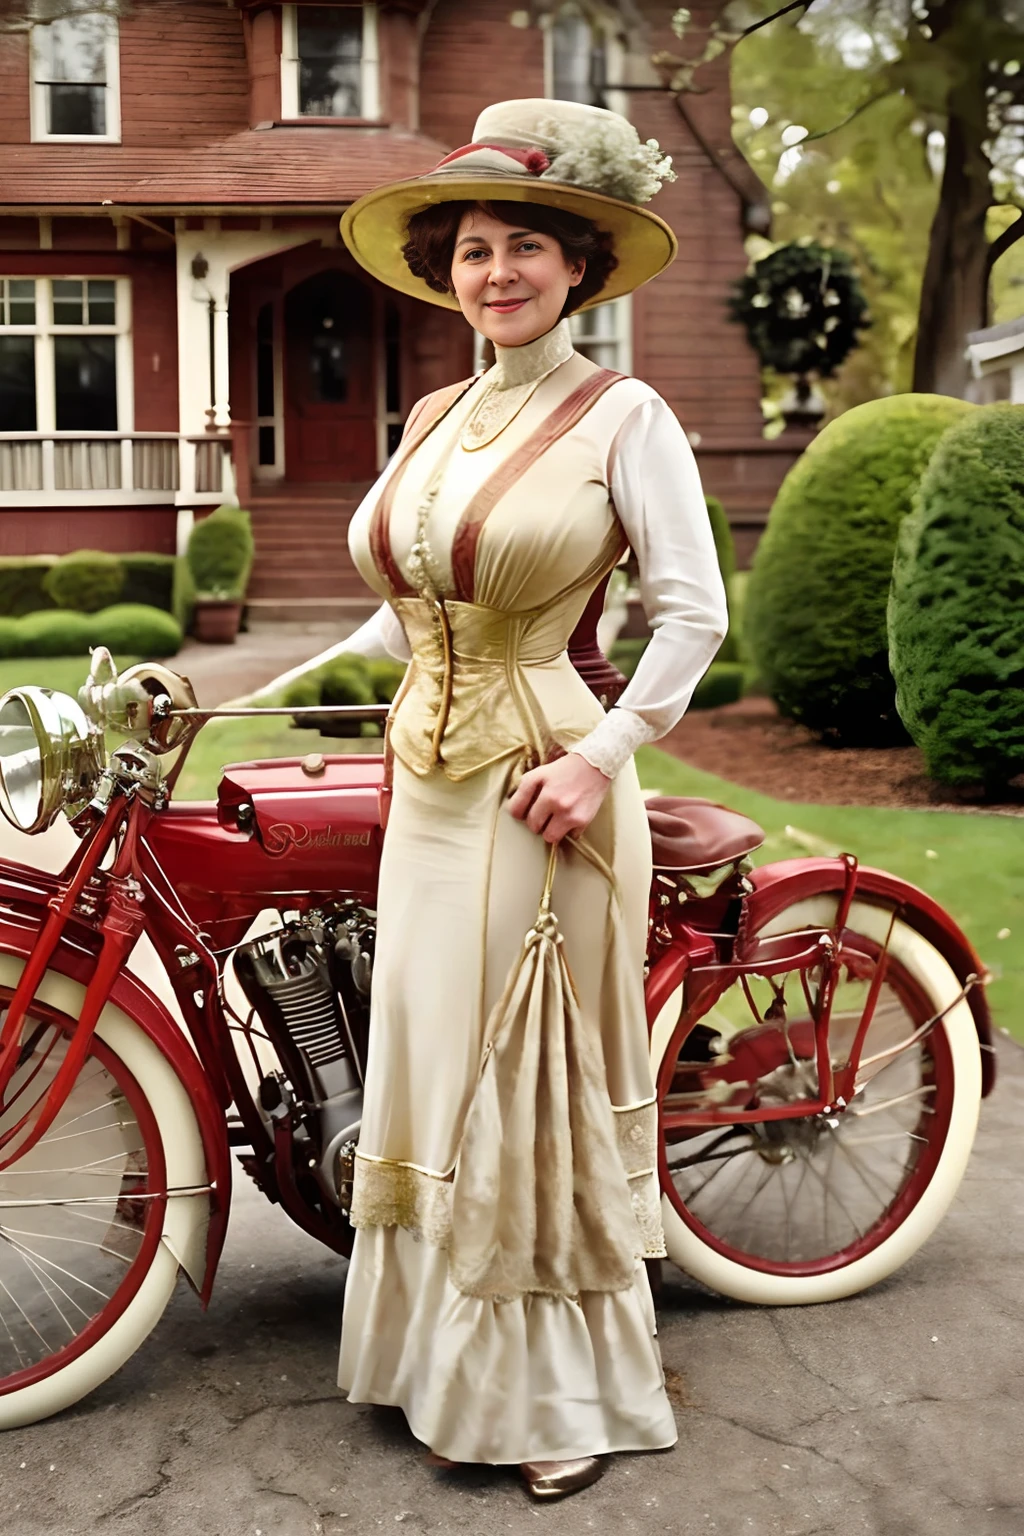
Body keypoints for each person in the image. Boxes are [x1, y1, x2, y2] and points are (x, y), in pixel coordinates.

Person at [268, 98, 728, 1500]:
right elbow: (405, 612)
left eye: (527, 246)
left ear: (578, 269)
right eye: (473, 249)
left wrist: (603, 759)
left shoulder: (625, 413)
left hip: (550, 796)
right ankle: (428, 1360)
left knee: (519, 1084)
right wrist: (269, 686)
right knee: (425, 1061)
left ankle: (556, 1393)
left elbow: (692, 615)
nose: (499, 273)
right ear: (445, 271)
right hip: (430, 793)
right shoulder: (433, 415)